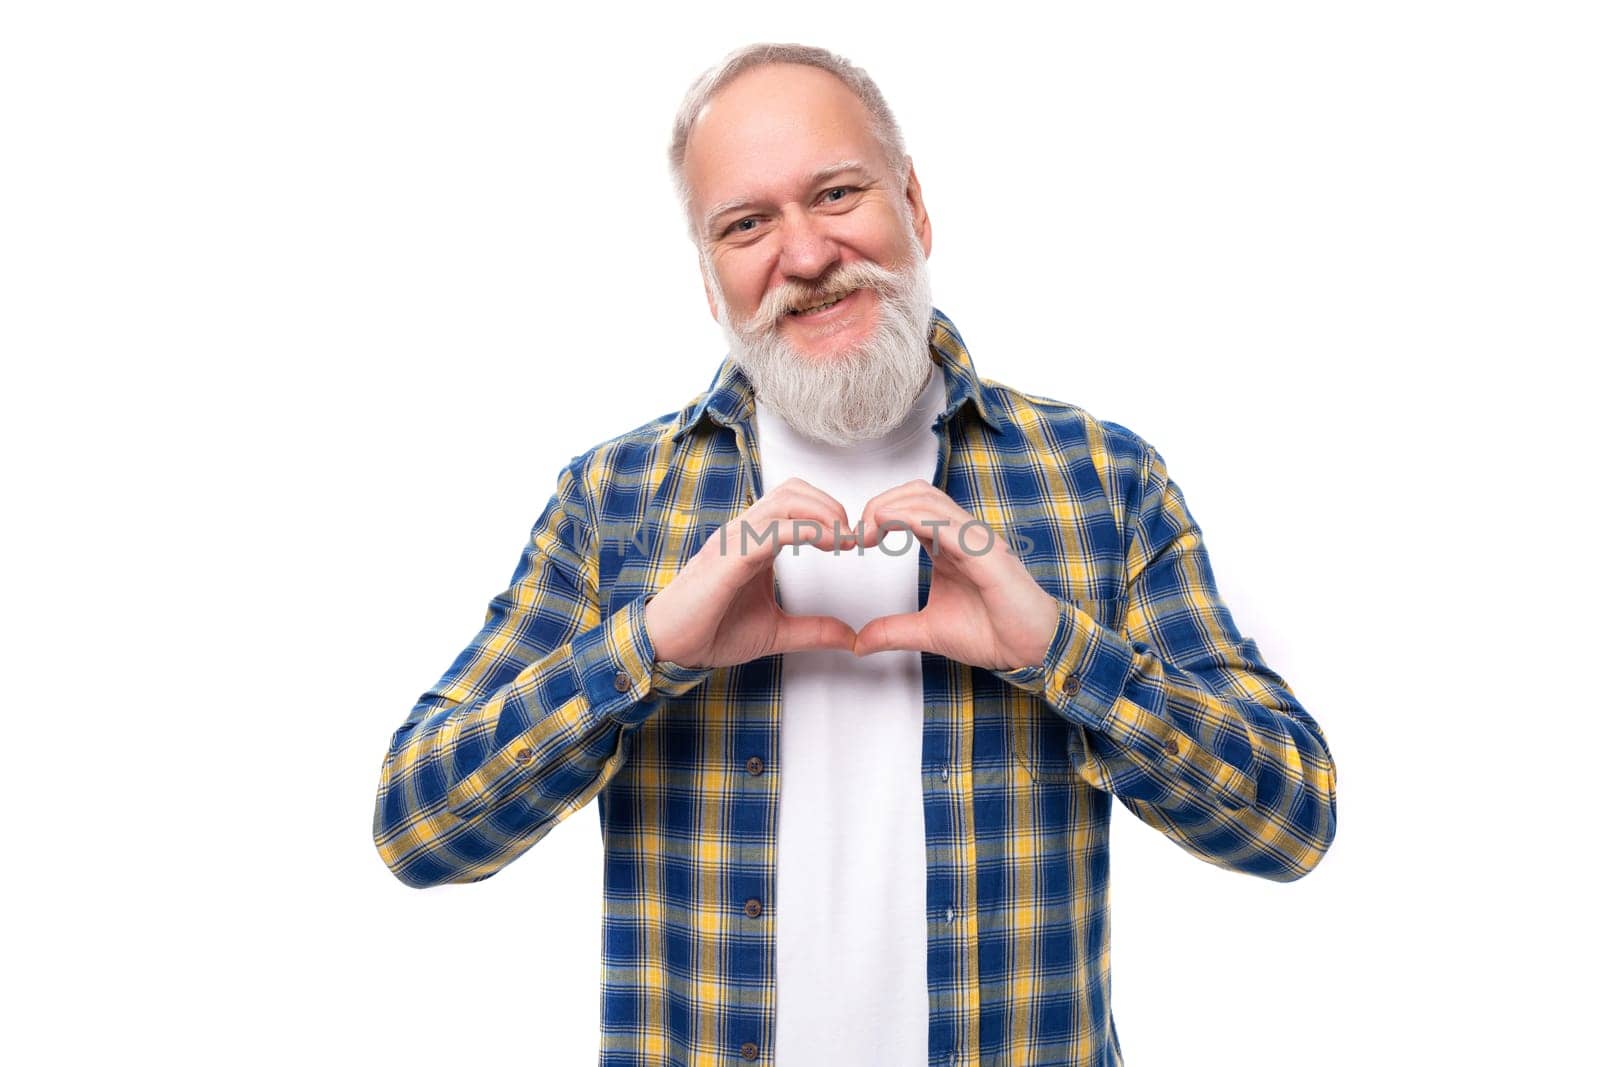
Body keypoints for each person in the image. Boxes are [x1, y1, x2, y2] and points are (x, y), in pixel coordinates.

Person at [371, 42, 1337, 1067]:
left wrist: (1057, 648)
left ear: (914, 208)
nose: (803, 254)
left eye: (835, 193)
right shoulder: (612, 500)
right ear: (710, 281)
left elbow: (1290, 822)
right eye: (745, 225)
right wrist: (648, 647)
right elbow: (417, 827)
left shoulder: (1101, 477)